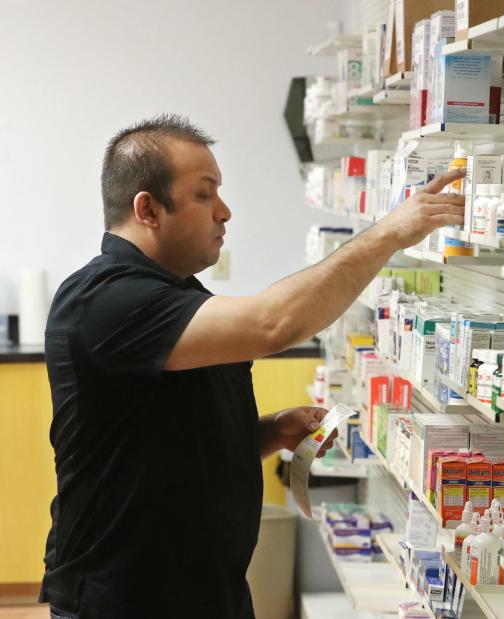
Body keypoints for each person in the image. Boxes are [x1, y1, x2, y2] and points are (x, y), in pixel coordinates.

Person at [40, 114, 465, 618]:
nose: (225, 211)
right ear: (148, 209)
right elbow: (274, 324)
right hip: (126, 601)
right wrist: (389, 233)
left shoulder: (175, 294)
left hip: (203, 592)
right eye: (204, 194)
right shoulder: (107, 300)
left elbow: (160, 437)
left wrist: (266, 433)